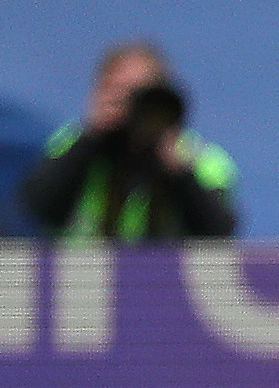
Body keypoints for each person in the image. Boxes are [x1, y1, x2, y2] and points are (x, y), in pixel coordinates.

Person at [17, 40, 237, 240]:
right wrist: (91, 139)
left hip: (165, 281)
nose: (131, 107)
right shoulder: (72, 143)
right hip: (82, 277)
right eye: (120, 93)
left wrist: (179, 173)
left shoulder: (201, 159)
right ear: (100, 93)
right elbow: (40, 209)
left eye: (142, 95)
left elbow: (218, 233)